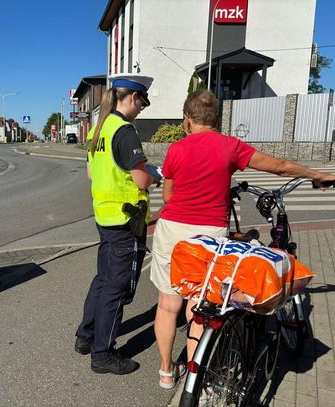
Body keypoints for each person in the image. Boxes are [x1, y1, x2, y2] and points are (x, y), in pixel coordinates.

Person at [151, 89, 335, 389]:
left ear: (187, 120)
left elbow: (169, 193)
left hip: (172, 229)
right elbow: (279, 167)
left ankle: (166, 372)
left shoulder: (176, 149)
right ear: (217, 119)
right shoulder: (230, 146)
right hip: (208, 234)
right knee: (200, 308)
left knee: (168, 304)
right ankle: (198, 382)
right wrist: (316, 174)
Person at [75, 73, 162, 375]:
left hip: (104, 217)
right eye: (142, 104)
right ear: (134, 98)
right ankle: (102, 353)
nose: (141, 110)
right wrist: (155, 176)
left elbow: (91, 174)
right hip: (125, 221)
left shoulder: (99, 129)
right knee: (116, 287)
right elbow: (139, 179)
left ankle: (85, 337)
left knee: (102, 279)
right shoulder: (125, 132)